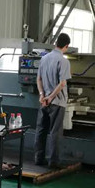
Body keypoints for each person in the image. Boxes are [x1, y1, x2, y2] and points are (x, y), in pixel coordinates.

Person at [34, 33, 71, 168]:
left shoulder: (44, 59)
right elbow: (62, 83)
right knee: (55, 132)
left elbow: (38, 79)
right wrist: (51, 97)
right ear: (66, 46)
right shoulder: (64, 61)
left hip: (43, 101)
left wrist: (42, 95)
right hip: (57, 102)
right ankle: (53, 162)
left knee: (41, 130)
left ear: (55, 43)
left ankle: (38, 159)